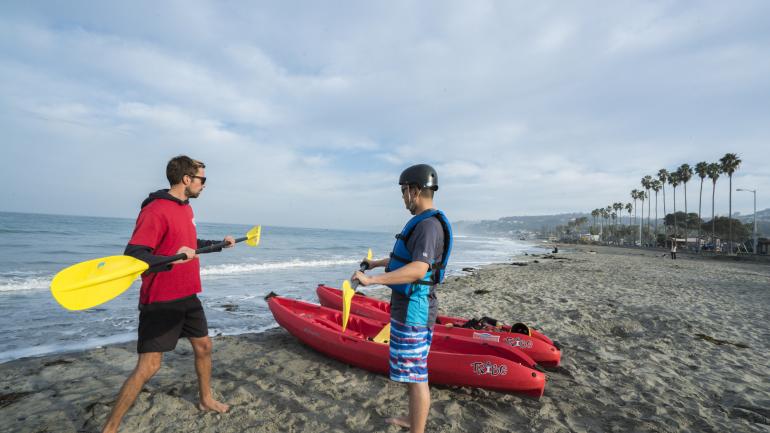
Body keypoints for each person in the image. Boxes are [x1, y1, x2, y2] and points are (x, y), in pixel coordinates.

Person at [102, 156, 234, 433]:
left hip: (188, 294)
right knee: (149, 366)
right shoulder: (155, 210)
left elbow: (188, 243)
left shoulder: (185, 208)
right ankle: (110, 428)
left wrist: (219, 244)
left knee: (204, 347)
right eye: (202, 179)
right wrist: (174, 259)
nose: (204, 185)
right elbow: (135, 255)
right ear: (186, 179)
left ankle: (206, 399)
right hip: (161, 299)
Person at [352, 164, 452, 433]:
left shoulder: (428, 226)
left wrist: (372, 281)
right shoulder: (423, 223)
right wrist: (374, 264)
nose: (403, 197)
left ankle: (416, 429)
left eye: (404, 191)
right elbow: (404, 259)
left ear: (415, 190)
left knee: (417, 377)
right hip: (408, 310)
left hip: (414, 313)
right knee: (412, 373)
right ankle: (412, 418)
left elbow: (418, 269)